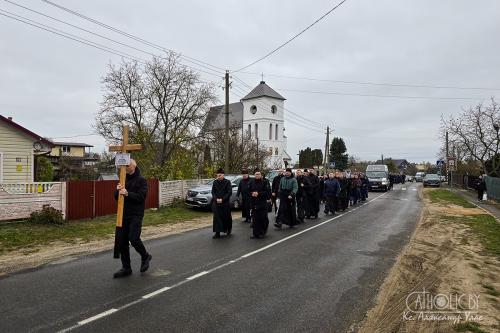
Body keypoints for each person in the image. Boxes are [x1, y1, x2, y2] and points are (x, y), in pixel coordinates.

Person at [113, 159, 152, 278]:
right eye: (124, 165)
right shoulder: (123, 180)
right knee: (122, 241)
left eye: (127, 165)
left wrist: (127, 193)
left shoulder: (142, 180)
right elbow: (116, 197)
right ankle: (126, 268)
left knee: (133, 238)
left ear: (134, 166)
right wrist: (118, 190)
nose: (125, 166)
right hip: (123, 214)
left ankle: (145, 256)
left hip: (136, 214)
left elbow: (141, 197)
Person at [248, 168, 271, 238]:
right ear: (254, 175)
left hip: (262, 203)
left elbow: (267, 192)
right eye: (256, 174)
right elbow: (248, 191)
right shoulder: (251, 182)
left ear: (261, 175)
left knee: (262, 218)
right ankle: (255, 233)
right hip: (254, 203)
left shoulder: (265, 182)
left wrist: (258, 193)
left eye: (258, 174)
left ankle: (262, 232)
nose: (257, 175)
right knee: (255, 219)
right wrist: (252, 193)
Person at [211, 168, 233, 238]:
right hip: (216, 203)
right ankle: (217, 233)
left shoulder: (227, 182)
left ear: (223, 175)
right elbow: (213, 192)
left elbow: (229, 192)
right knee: (217, 218)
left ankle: (228, 229)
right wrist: (216, 199)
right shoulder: (215, 182)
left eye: (220, 175)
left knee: (226, 217)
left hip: (225, 203)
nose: (218, 176)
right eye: (217, 175)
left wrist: (222, 199)